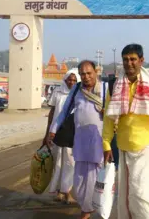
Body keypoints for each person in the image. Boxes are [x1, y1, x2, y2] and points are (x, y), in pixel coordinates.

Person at [103, 44, 149, 219]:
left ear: (141, 60)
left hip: (147, 144)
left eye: (133, 59)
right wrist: (106, 143)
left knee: (143, 194)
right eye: (125, 60)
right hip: (123, 146)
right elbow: (109, 118)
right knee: (126, 195)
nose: (129, 63)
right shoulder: (115, 85)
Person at [48, 61, 106, 219]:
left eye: (89, 73)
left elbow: (115, 114)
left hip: (98, 140)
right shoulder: (76, 90)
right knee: (79, 178)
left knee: (94, 175)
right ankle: (86, 204)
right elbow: (64, 112)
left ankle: (86, 211)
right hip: (80, 139)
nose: (86, 77)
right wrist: (53, 130)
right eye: (83, 74)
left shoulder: (105, 89)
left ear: (96, 72)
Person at [43, 68, 79, 204]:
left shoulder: (80, 94)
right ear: (65, 79)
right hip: (56, 133)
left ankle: (68, 192)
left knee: (71, 163)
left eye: (75, 80)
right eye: (69, 79)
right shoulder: (58, 91)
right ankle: (59, 192)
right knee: (57, 162)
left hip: (72, 134)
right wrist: (47, 133)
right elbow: (52, 113)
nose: (71, 82)